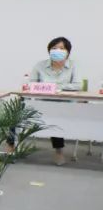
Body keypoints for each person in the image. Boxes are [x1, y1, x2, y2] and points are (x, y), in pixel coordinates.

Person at [29, 37, 80, 165]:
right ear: (49, 51)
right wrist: (50, 88)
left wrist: (56, 87)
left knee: (57, 115)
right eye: (54, 48)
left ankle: (58, 151)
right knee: (19, 109)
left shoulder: (73, 66)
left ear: (68, 52)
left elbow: (77, 85)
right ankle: (11, 144)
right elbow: (31, 84)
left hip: (65, 104)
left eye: (61, 48)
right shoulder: (40, 65)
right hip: (43, 103)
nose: (57, 51)